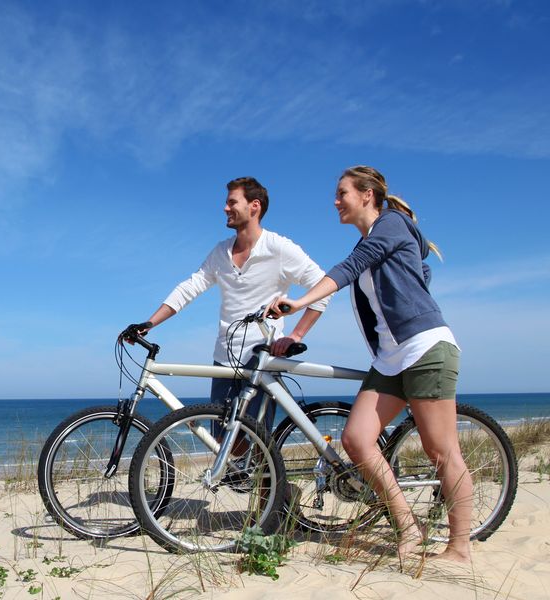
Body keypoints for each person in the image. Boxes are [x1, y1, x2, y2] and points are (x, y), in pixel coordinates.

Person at [266, 166, 471, 563]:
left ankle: (459, 548)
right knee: (357, 440)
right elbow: (416, 270)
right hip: (391, 358)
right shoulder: (377, 240)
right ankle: (407, 524)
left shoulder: (391, 224)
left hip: (426, 348)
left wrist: (300, 301)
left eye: (342, 192)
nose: (336, 200)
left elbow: (351, 267)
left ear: (367, 195)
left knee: (441, 450)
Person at [142, 176, 330, 431]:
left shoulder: (279, 248)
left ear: (255, 206)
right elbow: (189, 288)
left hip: (262, 356)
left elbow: (323, 286)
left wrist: (296, 335)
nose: (225, 208)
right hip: (224, 358)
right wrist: (150, 323)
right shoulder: (221, 252)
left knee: (255, 443)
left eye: (232, 202)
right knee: (222, 443)